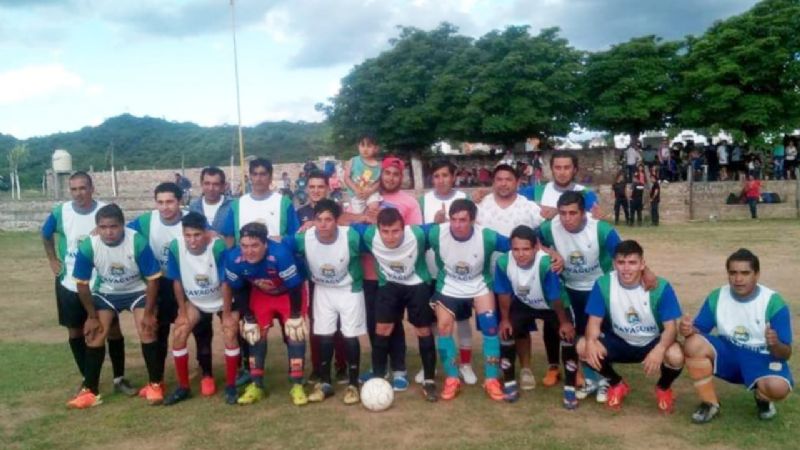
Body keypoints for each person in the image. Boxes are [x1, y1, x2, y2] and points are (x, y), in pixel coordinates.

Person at [41, 172, 135, 396]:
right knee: (75, 331)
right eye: (73, 189)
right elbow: (45, 234)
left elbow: (124, 232)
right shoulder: (61, 212)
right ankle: (87, 378)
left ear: (92, 188)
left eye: (83, 188)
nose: (78, 193)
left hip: (100, 283)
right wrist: (53, 259)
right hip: (70, 282)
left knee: (111, 329)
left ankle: (119, 378)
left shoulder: (105, 212)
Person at [66, 204, 162, 408]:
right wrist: (91, 316)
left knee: (147, 330)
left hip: (137, 290)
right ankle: (90, 391)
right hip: (107, 292)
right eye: (103, 227)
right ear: (97, 227)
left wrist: (149, 312)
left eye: (114, 226)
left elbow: (153, 280)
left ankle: (155, 385)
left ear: (122, 225)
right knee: (95, 333)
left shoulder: (137, 241)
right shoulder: (88, 246)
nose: (108, 232)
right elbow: (82, 284)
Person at [680, 249, 793, 423]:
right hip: (729, 355)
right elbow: (699, 330)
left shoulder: (773, 303)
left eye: (745, 273)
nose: (738, 279)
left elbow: (785, 353)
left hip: (761, 357)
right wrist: (688, 330)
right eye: (733, 273)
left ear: (757, 274)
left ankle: (763, 398)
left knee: (778, 388)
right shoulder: (717, 296)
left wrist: (775, 343)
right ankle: (710, 403)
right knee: (692, 343)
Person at [579, 240, 684, 412]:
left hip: (651, 342)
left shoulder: (660, 287)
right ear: (614, 264)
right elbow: (594, 322)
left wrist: (660, 349)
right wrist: (591, 342)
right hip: (619, 340)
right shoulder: (603, 284)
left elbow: (671, 328)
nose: (626, 268)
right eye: (621, 262)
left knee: (676, 355)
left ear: (642, 264)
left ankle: (663, 388)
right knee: (583, 347)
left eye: (632, 262)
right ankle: (616, 384)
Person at [538, 191, 622, 403]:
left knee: (598, 335)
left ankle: (606, 380)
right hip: (570, 288)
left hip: (598, 288)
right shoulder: (550, 227)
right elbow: (531, 241)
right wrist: (550, 253)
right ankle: (591, 379)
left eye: (573, 213)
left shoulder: (601, 229)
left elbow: (623, 254)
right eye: (563, 213)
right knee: (578, 336)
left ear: (583, 213)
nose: (567, 218)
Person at [428, 199, 511, 401]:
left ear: (473, 220)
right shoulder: (436, 233)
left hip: (479, 285)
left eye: (463, 220)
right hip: (449, 285)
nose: (457, 225)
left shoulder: (487, 236)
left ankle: (491, 379)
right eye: (454, 219)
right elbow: (408, 235)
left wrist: (549, 252)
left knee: (491, 328)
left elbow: (517, 243)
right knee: (444, 327)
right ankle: (452, 378)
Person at [477, 164, 548, 394]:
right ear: (493, 182)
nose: (503, 183)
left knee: (520, 327)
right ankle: (498, 369)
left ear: (517, 182)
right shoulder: (482, 206)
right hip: (488, 276)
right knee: (493, 326)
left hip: (522, 279)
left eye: (508, 179)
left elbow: (546, 229)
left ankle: (526, 368)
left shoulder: (528, 208)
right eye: (499, 179)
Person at [356, 208, 438, 401]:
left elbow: (444, 230)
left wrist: (441, 221)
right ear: (378, 229)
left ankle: (429, 381)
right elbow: (340, 222)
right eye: (385, 231)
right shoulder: (368, 235)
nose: (390, 237)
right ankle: (378, 376)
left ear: (404, 228)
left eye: (395, 231)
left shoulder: (418, 233)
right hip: (389, 285)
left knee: (423, 330)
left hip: (416, 284)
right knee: (382, 329)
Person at [224, 222, 309, 406]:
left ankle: (297, 384)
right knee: (253, 334)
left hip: (289, 293)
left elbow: (295, 286)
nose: (249, 251)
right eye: (245, 246)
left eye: (255, 246)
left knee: (295, 333)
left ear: (266, 244)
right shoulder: (233, 258)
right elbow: (239, 290)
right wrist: (248, 317)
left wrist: (295, 315)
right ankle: (256, 385)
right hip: (261, 294)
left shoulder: (280, 254)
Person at [291, 200, 365, 405]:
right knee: (324, 335)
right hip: (323, 290)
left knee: (350, 336)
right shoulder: (304, 238)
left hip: (349, 289)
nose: (323, 224)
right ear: (313, 221)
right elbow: (282, 244)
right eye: (319, 219)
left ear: (337, 221)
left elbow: (377, 238)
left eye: (328, 219)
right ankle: (325, 383)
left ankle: (352, 385)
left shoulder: (351, 236)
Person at [494, 225, 578, 407]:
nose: (520, 254)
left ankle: (570, 389)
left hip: (552, 306)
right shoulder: (502, 262)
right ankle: (509, 383)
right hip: (526, 304)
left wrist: (564, 323)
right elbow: (504, 293)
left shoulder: (546, 264)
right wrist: (505, 319)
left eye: (526, 249)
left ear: (535, 248)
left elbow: (555, 297)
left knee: (567, 336)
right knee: (507, 331)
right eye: (516, 249)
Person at [163, 212, 241, 406]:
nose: (192, 240)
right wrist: (182, 312)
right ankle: (183, 387)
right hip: (196, 301)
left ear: (207, 233)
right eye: (188, 235)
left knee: (230, 332)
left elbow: (226, 282)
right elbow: (177, 280)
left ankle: (231, 386)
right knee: (179, 333)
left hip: (223, 299)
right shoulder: (175, 247)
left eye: (197, 235)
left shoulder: (218, 247)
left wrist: (228, 314)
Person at [127, 182, 195, 400]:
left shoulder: (190, 219)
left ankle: (207, 375)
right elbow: (123, 230)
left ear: (180, 201)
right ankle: (156, 381)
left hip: (186, 283)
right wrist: (96, 231)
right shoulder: (146, 221)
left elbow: (207, 233)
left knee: (197, 328)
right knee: (159, 331)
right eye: (160, 202)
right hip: (159, 282)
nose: (165, 207)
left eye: (170, 202)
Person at [360, 156, 423, 390]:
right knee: (372, 323)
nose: (391, 177)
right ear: (381, 174)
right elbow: (346, 221)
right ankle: (378, 368)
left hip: (395, 276)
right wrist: (364, 216)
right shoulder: (366, 197)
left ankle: (399, 369)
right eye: (387, 173)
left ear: (402, 176)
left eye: (396, 174)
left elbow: (415, 235)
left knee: (393, 323)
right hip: (369, 271)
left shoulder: (409, 202)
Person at [417, 159, 473, 385]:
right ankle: (429, 365)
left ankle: (466, 365)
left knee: (461, 320)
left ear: (454, 177)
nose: (441, 180)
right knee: (430, 322)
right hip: (428, 271)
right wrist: (434, 222)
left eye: (445, 175)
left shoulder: (463, 200)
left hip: (456, 273)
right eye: (436, 176)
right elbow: (418, 235)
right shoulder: (423, 201)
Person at [296, 170, 349, 385]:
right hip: (312, 278)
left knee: (339, 322)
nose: (316, 190)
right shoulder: (299, 212)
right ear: (307, 189)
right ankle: (318, 367)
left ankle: (342, 366)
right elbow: (295, 241)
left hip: (338, 277)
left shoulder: (338, 212)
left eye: (320, 187)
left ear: (328, 188)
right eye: (312, 187)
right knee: (317, 323)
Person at [220, 158, 300, 246]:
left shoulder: (284, 203)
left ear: (270, 177)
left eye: (263, 174)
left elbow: (295, 236)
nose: (258, 178)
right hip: (245, 257)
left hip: (275, 257)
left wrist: (283, 240)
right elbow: (229, 237)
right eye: (255, 174)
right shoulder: (237, 204)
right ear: (250, 177)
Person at [517, 150, 601, 220]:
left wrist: (558, 213)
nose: (562, 173)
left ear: (575, 170)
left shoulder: (585, 194)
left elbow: (593, 221)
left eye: (567, 168)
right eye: (558, 168)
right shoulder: (535, 191)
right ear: (551, 169)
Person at [343, 134, 382, 214]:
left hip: (371, 193)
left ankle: (373, 223)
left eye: (369, 146)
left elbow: (378, 182)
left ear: (375, 148)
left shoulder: (378, 166)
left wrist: (371, 190)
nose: (365, 149)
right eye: (362, 145)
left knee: (374, 207)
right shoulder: (353, 161)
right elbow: (347, 178)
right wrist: (355, 189)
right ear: (358, 146)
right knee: (358, 214)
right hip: (357, 194)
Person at [189, 167, 232, 232]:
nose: (211, 188)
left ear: (223, 186)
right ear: (201, 184)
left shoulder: (232, 206)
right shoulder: (193, 207)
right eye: (207, 183)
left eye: (216, 184)